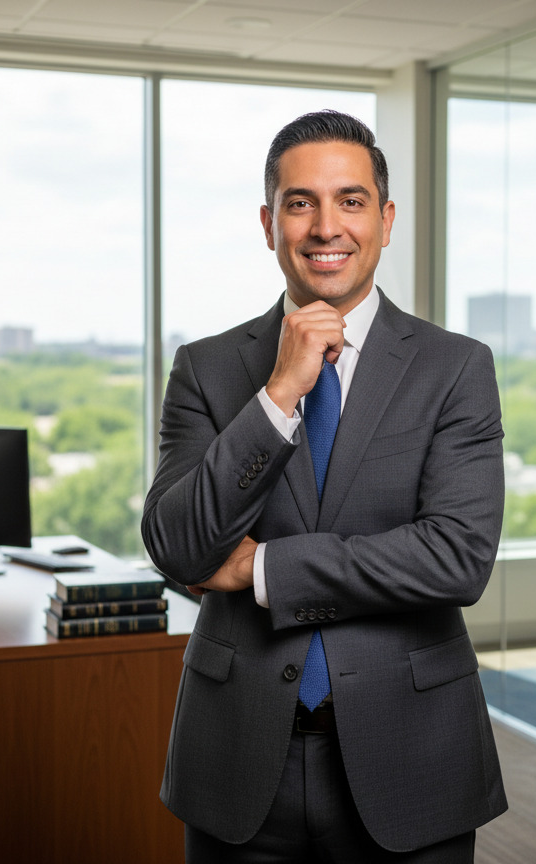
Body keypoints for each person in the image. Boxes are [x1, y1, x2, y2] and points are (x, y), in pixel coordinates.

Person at [142, 109, 507, 863]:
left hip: (413, 749)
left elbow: (456, 558)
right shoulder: (207, 369)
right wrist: (278, 393)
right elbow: (178, 545)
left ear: (385, 218)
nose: (325, 226)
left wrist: (262, 567)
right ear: (269, 222)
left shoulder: (456, 368)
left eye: (351, 200)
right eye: (300, 202)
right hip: (237, 751)